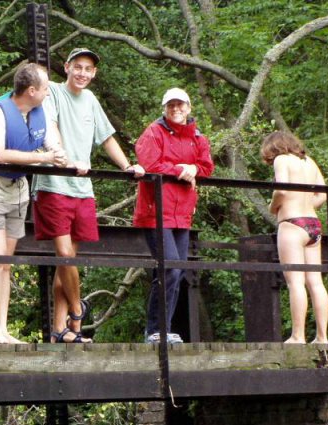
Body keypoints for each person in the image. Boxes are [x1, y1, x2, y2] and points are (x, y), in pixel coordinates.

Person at [32, 47, 145, 343]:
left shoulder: (91, 100)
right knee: (65, 255)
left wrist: (127, 166)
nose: (82, 73)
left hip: (82, 189)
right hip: (54, 184)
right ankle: (77, 312)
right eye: (78, 66)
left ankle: (60, 330)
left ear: (94, 73)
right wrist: (66, 160)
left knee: (67, 262)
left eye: (88, 69)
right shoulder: (53, 92)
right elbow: (50, 127)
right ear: (67, 67)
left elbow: (106, 137)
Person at [0, 62, 66, 344]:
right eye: (46, 88)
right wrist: (44, 158)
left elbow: (52, 142)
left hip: (17, 191)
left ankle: (4, 330)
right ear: (32, 90)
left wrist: (60, 155)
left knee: (6, 262)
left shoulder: (39, 111)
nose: (48, 93)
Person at [133, 88, 214, 344]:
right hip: (156, 211)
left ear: (189, 107)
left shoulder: (197, 137)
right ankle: (155, 330)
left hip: (182, 213)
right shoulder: (153, 132)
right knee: (170, 267)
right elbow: (150, 164)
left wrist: (194, 168)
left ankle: (163, 330)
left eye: (180, 105)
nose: (176, 109)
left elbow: (207, 167)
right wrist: (181, 169)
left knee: (177, 270)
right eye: (171, 105)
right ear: (164, 109)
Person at [262, 131, 328, 344]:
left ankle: (298, 336)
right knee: (316, 282)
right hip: (313, 224)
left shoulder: (281, 159)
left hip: (292, 223)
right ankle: (322, 337)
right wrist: (306, 204)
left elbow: (281, 190)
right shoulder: (309, 161)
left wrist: (273, 207)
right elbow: (323, 195)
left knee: (296, 282)